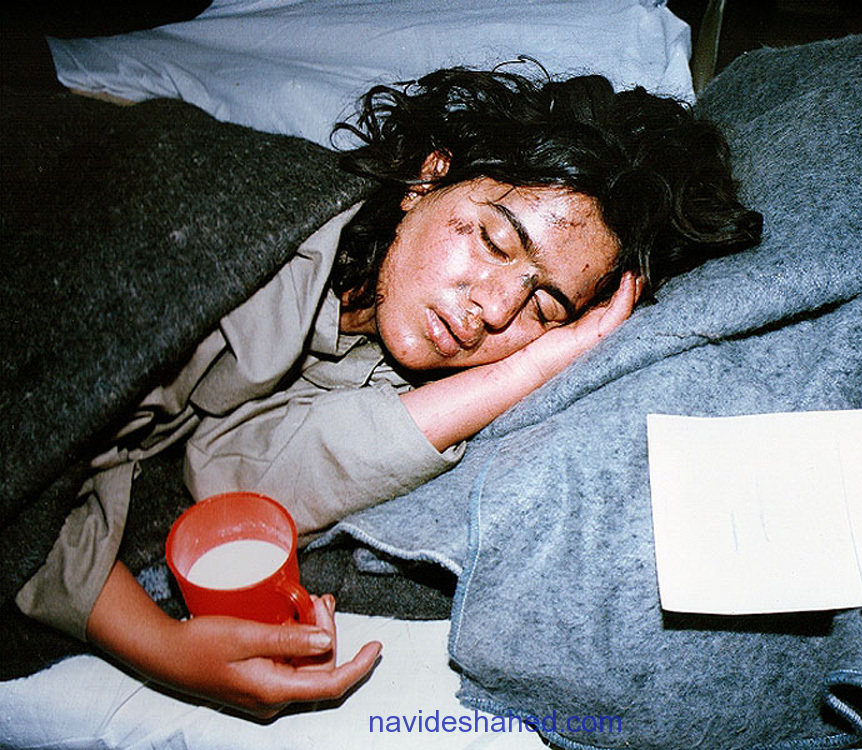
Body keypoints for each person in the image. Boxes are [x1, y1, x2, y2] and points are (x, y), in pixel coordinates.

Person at [15, 65, 761, 718]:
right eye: (496, 240)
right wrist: (159, 647)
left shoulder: (376, 342)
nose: (494, 308)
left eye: (543, 305)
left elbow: (232, 482)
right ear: (427, 179)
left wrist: (526, 370)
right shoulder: (235, 221)